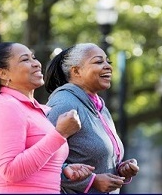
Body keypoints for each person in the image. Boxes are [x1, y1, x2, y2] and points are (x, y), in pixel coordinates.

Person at [0, 41, 95, 193]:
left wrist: (62, 169)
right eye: (25, 59)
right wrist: (60, 134)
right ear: (3, 73)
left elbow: (35, 160)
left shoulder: (33, 110)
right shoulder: (6, 107)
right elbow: (10, 170)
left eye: (33, 57)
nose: (36, 63)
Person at [44, 43, 139, 194]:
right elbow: (41, 159)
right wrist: (90, 182)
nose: (108, 66)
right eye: (99, 61)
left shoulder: (99, 106)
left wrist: (121, 168)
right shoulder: (65, 104)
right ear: (76, 71)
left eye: (109, 62)